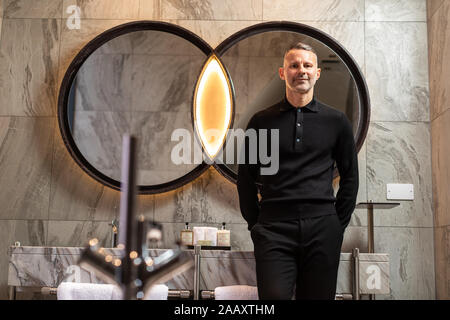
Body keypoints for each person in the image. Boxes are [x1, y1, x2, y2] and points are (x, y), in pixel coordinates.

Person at [237, 42, 359, 300]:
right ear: (283, 73)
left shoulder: (337, 121)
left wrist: (337, 224)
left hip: (323, 228)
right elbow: (246, 178)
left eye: (307, 65)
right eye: (294, 65)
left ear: (317, 73)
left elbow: (350, 177)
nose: (301, 70)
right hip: (273, 229)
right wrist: (255, 224)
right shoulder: (261, 121)